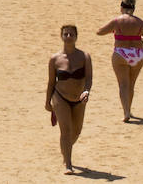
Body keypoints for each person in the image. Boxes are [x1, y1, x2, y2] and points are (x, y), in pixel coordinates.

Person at [96, 0, 143, 122]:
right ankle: (129, 110)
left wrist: (114, 31)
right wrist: (139, 38)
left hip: (121, 54)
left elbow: (99, 32)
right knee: (131, 84)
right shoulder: (140, 22)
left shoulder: (117, 21)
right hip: (137, 54)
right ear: (134, 9)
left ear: (121, 7)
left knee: (123, 84)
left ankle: (126, 112)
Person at [45, 24, 91, 174]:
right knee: (66, 130)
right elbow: (51, 82)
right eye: (66, 34)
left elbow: (89, 78)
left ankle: (65, 150)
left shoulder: (84, 57)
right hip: (60, 97)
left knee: (76, 131)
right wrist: (47, 102)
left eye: (71, 34)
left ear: (76, 36)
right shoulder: (55, 59)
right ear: (61, 36)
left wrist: (86, 91)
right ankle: (68, 165)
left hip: (79, 99)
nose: (69, 37)